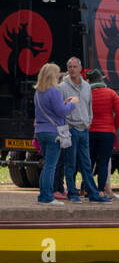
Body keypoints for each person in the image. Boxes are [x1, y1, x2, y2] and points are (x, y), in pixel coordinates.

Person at [58, 57, 106, 202]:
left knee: (87, 163)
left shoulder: (86, 87)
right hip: (71, 129)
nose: (72, 69)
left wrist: (89, 120)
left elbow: (89, 105)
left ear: (80, 68)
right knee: (70, 164)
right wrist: (66, 124)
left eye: (74, 66)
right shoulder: (62, 87)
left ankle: (92, 193)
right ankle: (72, 193)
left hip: (84, 129)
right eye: (69, 66)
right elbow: (59, 109)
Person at [32, 63, 81, 205]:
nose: (59, 76)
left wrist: (63, 103)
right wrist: (72, 103)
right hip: (53, 132)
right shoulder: (53, 91)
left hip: (41, 131)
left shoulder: (38, 91)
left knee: (47, 164)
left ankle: (43, 196)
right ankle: (47, 197)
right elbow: (61, 112)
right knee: (50, 166)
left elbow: (50, 109)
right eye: (58, 73)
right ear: (52, 76)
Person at [86, 68, 119, 200]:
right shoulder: (111, 93)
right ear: (101, 80)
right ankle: (101, 191)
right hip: (107, 132)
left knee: (89, 161)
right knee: (103, 162)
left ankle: (87, 189)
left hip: (90, 131)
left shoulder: (86, 94)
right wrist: (114, 126)